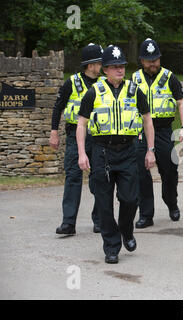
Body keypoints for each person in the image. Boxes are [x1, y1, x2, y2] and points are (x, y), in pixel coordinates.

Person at [76, 45, 156, 264]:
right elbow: (81, 124)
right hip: (101, 151)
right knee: (104, 202)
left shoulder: (134, 90)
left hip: (129, 151)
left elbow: (147, 119)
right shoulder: (94, 92)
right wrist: (82, 153)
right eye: (115, 67)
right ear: (105, 70)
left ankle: (126, 230)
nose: (120, 70)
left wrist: (150, 150)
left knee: (130, 199)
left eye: (122, 66)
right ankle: (112, 245)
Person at [132, 38, 183, 228]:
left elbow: (181, 102)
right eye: (149, 60)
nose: (153, 63)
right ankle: (146, 215)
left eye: (156, 59)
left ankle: (172, 203)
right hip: (140, 131)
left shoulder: (169, 77)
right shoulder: (134, 79)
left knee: (170, 171)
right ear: (141, 60)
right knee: (141, 173)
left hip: (163, 131)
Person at [50, 43, 103, 235]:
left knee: (99, 179)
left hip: (98, 138)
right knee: (73, 177)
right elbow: (58, 107)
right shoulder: (71, 83)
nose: (103, 65)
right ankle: (68, 223)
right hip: (74, 136)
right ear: (91, 65)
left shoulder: (104, 84)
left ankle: (100, 220)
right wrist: (54, 131)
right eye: (100, 61)